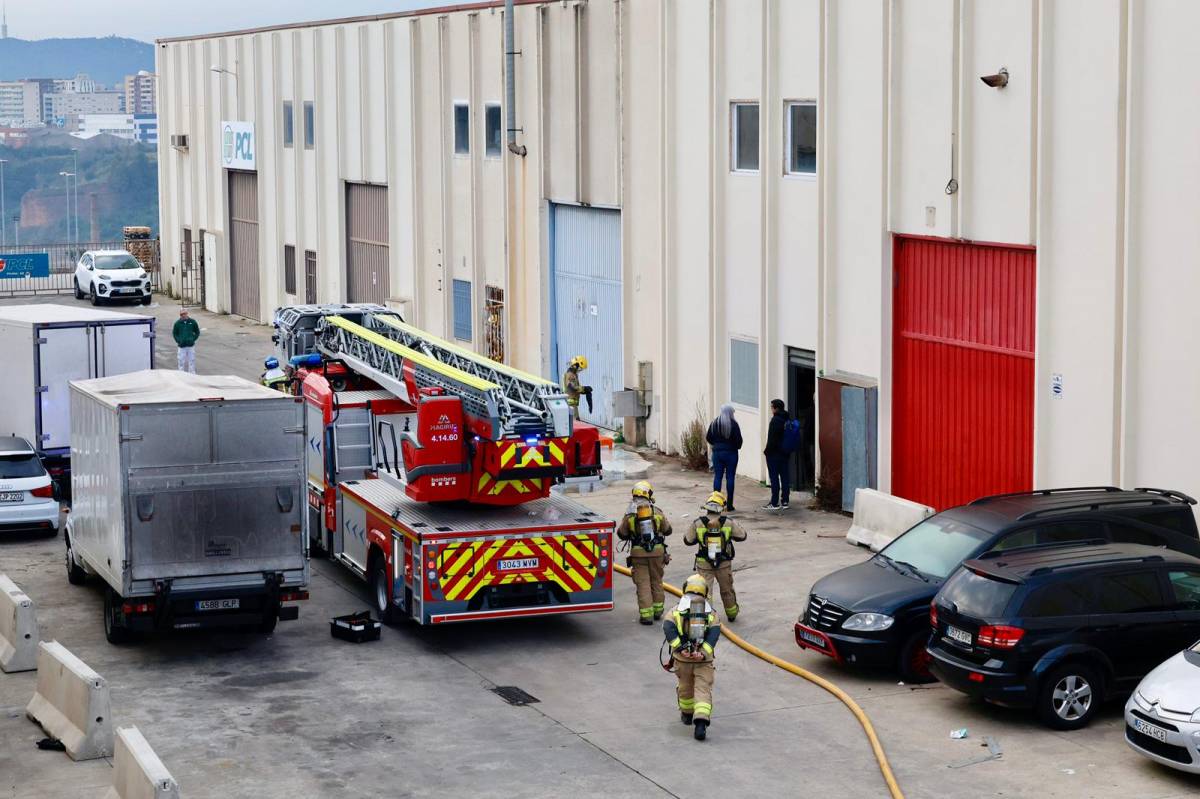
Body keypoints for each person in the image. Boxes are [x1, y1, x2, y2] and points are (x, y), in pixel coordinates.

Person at [663, 574, 722, 741]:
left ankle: (687, 715)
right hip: (704, 661)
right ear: (705, 593)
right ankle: (701, 722)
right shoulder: (711, 614)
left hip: (683, 661)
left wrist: (681, 649)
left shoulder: (675, 612)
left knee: (685, 688)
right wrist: (702, 652)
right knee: (703, 689)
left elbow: (668, 628)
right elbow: (714, 635)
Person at [683, 491, 747, 621]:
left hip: (704, 563)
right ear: (722, 507)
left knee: (705, 591)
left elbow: (687, 540)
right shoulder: (728, 522)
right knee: (727, 590)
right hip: (723, 563)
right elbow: (742, 536)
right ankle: (732, 614)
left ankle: (704, 618)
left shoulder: (698, 523)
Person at [615, 480, 673, 624]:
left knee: (643, 584)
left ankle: (646, 616)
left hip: (638, 554)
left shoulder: (630, 514)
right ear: (648, 494)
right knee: (657, 581)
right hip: (657, 553)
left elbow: (622, 533)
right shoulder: (657, 511)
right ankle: (658, 611)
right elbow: (668, 530)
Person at [705, 404, 743, 512]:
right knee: (730, 477)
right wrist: (734, 446)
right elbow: (739, 441)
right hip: (731, 453)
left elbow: (708, 437)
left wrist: (716, 445)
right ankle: (729, 505)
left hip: (717, 453)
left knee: (718, 477)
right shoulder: (734, 424)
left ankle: (715, 503)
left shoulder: (714, 423)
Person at [763, 398, 790, 510]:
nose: (771, 409)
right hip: (784, 453)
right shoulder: (786, 419)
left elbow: (772, 439)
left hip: (774, 454)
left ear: (776, 408)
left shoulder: (775, 421)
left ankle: (774, 502)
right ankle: (785, 501)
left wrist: (766, 451)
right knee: (784, 477)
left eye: (772, 407)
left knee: (774, 478)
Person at [172, 308, 200, 374]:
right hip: (181, 346)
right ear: (180, 315)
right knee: (181, 360)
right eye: (182, 314)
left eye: (185, 314)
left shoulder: (192, 322)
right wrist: (178, 340)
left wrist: (193, 339)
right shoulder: (177, 323)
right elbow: (174, 333)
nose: (183, 315)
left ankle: (192, 374)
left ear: (187, 314)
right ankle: (181, 374)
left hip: (190, 345)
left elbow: (197, 331)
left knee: (192, 360)